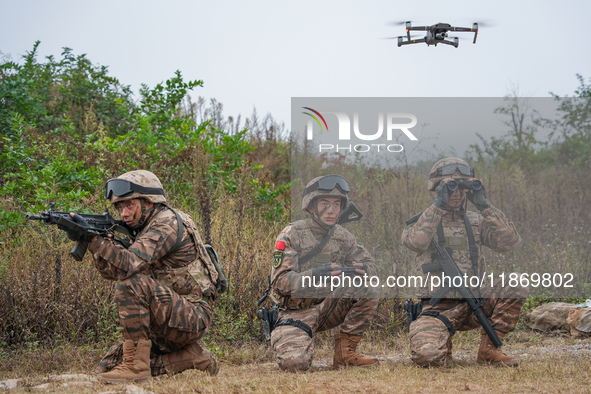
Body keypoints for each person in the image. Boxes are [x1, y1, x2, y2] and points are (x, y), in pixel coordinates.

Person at [83, 170, 219, 383]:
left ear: (149, 202)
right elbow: (112, 271)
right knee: (107, 367)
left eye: (129, 205)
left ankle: (136, 369)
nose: (124, 214)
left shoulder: (167, 224)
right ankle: (191, 358)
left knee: (130, 284)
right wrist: (96, 245)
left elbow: (127, 267)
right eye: (120, 208)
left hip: (191, 316)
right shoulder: (143, 228)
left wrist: (97, 242)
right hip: (166, 316)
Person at [402, 158, 527, 367]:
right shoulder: (422, 221)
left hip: (474, 303)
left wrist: (485, 206)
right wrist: (438, 207)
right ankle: (441, 342)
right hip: (436, 310)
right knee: (428, 358)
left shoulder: (476, 221)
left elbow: (510, 242)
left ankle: (488, 350)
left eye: (462, 187)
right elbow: (415, 242)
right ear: (438, 188)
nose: (457, 193)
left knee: (514, 283)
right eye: (451, 187)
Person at [268, 174, 380, 371]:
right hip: (295, 313)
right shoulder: (291, 234)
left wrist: (362, 269)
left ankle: (345, 353)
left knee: (368, 286)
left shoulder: (343, 236)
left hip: (329, 307)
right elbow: (280, 282)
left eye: (336, 204)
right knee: (295, 364)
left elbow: (371, 265)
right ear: (311, 207)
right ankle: (298, 344)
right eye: (325, 204)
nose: (331, 210)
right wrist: (315, 274)